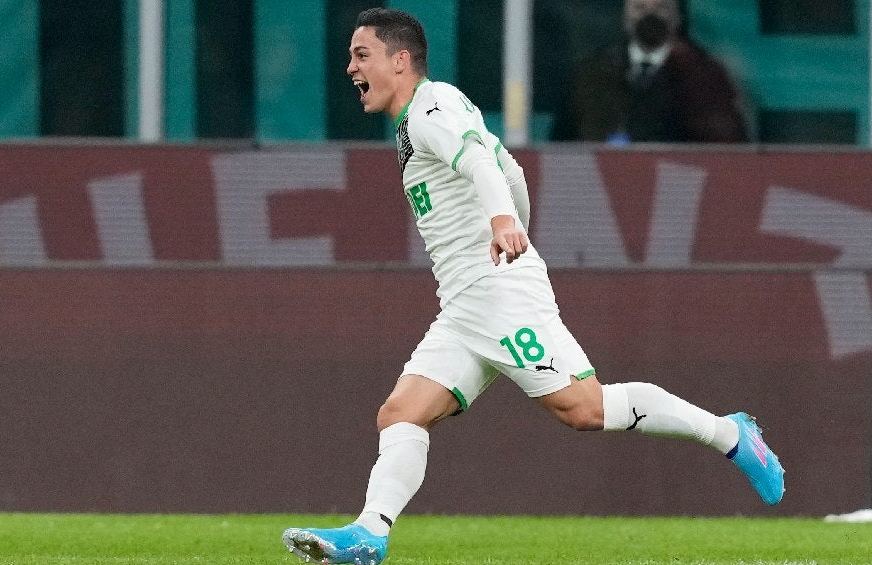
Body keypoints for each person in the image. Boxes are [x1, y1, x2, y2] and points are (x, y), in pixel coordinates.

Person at [282, 8, 782, 564]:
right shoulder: (434, 108)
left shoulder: (428, 110)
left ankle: (731, 435)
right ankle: (370, 535)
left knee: (585, 408)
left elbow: (481, 162)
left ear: (400, 61)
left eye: (362, 54)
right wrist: (512, 224)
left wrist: (503, 226)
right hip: (466, 302)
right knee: (402, 413)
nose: (350, 66)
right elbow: (508, 168)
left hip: (496, 295)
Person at [560, 0, 749, 144]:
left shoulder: (706, 74)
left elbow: (727, 142)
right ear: (625, 17)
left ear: (677, 17)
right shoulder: (591, 72)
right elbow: (563, 141)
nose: (649, 18)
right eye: (640, 8)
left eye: (660, 8)